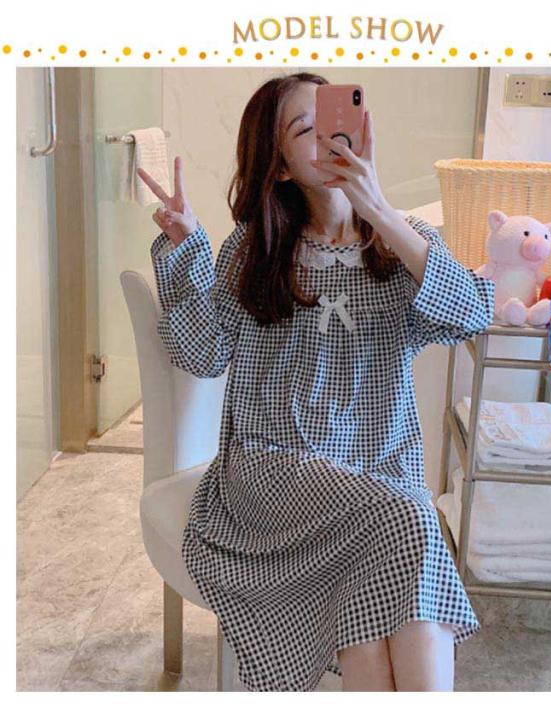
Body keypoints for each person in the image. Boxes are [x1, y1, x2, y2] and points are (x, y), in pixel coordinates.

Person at [138, 71, 495, 692]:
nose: (330, 139)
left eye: (335, 122)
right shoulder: (254, 250)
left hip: (378, 464)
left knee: (384, 566)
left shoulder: (401, 245)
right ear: (278, 167)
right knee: (408, 521)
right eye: (305, 130)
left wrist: (378, 209)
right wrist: (188, 248)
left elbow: (470, 315)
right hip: (272, 469)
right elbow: (203, 354)